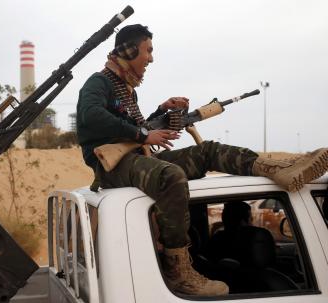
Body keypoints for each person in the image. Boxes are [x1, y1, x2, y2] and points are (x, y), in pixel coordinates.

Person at [76, 24, 328, 296]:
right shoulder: (99, 83)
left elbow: (128, 126)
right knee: (170, 176)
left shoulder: (126, 90)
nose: (151, 58)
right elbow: (91, 115)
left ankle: (278, 168)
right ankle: (179, 270)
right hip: (111, 167)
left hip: (136, 158)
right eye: (148, 51)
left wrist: (161, 111)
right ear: (129, 50)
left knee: (207, 151)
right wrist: (142, 134)